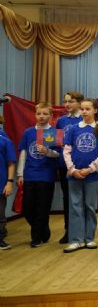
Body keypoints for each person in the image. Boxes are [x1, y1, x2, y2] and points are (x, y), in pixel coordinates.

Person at [62, 99, 98, 253]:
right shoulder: (73, 129)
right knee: (75, 207)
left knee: (90, 206)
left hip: (91, 175)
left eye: (87, 109)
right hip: (74, 174)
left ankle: (89, 238)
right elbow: (66, 151)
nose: (84, 111)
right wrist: (72, 169)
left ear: (95, 110)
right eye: (82, 109)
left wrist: (90, 169)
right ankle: (76, 240)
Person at [17, 102, 60, 247]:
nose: (41, 116)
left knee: (42, 207)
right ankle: (43, 230)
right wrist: (20, 174)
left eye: (45, 114)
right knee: (27, 208)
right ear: (35, 115)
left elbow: (58, 155)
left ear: (51, 115)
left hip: (46, 175)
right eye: (39, 113)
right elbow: (23, 153)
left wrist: (47, 152)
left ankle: (36, 238)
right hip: (30, 174)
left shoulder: (54, 132)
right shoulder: (28, 132)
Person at [55, 91, 84, 244]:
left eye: (71, 101)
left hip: (81, 165)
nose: (67, 104)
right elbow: (57, 142)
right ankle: (69, 231)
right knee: (68, 198)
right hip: (64, 165)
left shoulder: (85, 118)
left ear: (79, 102)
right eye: (65, 101)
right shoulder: (61, 121)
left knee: (82, 198)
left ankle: (82, 230)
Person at [0, 126, 16, 250]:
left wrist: (9, 182)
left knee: (0, 214)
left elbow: (11, 163)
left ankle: (0, 239)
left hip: (1, 183)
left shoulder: (5, 141)